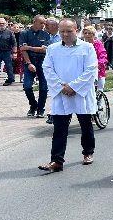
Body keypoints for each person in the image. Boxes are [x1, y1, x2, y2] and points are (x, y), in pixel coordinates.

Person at [38, 19, 97, 172]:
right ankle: (57, 161)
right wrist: (61, 86)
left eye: (69, 31)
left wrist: (74, 86)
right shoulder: (52, 49)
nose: (65, 34)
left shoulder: (87, 47)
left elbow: (91, 70)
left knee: (85, 124)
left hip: (80, 92)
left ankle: (88, 152)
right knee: (59, 128)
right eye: (62, 31)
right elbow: (47, 69)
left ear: (76, 29)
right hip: (61, 93)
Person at [19, 15, 52, 117]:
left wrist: (29, 47)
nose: (43, 25)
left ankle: (40, 109)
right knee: (27, 86)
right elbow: (22, 50)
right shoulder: (24, 33)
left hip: (42, 61)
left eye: (44, 23)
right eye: (41, 23)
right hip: (30, 60)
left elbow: (44, 49)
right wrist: (29, 63)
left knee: (43, 87)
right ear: (34, 22)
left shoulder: (46, 34)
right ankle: (33, 106)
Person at [0, 17, 17, 86]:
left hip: (7, 52)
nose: (1, 24)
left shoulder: (10, 32)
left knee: (9, 67)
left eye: (3, 23)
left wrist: (14, 53)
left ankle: (10, 80)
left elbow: (14, 43)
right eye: (0, 23)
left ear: (6, 24)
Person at [81, 26, 108, 92]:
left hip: (98, 70)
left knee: (99, 90)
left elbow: (103, 55)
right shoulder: (81, 45)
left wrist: (98, 65)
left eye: (89, 33)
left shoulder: (98, 44)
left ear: (93, 34)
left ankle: (99, 101)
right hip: (84, 71)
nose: (87, 35)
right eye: (85, 33)